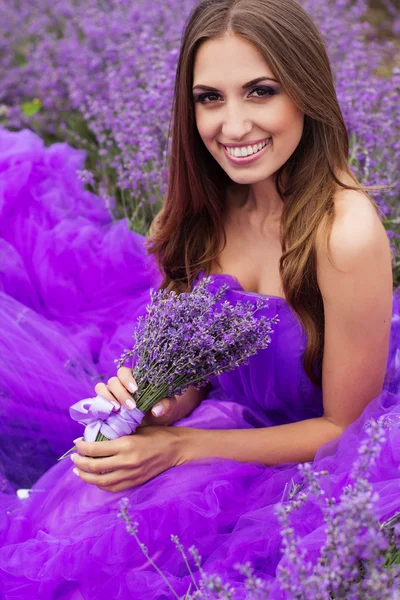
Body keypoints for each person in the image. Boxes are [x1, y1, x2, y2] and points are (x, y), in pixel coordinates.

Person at [0, 0, 399, 597]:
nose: (232, 126)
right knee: (73, 525)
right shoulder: (209, 208)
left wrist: (180, 447)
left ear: (306, 92)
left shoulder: (344, 231)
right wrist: (153, 399)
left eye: (260, 91)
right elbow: (200, 375)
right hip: (216, 430)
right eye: (210, 97)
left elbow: (344, 430)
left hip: (309, 465)